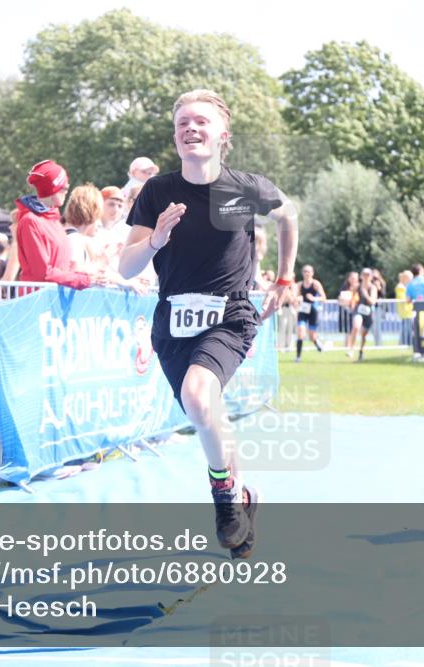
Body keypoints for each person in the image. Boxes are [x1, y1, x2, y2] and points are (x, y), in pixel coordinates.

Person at [118, 89, 298, 559]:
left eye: (200, 122)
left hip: (230, 314)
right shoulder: (157, 192)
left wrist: (284, 276)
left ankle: (222, 497)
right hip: (172, 322)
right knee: (207, 413)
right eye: (182, 124)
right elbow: (125, 267)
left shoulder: (245, 187)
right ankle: (242, 501)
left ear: (223, 135)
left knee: (200, 398)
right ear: (175, 137)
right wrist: (155, 240)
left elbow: (289, 216)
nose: (190, 129)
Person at [15, 160, 104, 289]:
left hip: (53, 298)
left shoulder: (54, 219)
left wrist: (89, 274)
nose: (67, 191)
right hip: (37, 300)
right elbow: (43, 273)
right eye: (64, 188)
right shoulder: (30, 221)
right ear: (52, 189)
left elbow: (62, 268)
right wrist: (85, 280)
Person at [64, 184, 146, 294]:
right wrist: (101, 264)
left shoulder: (81, 239)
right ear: (91, 212)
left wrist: (128, 279)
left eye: (120, 206)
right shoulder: (75, 239)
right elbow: (76, 273)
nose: (116, 210)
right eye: (111, 204)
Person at [294, 264, 327, 361]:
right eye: (305, 271)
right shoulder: (299, 285)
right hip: (303, 311)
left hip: (313, 311)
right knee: (301, 333)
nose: (307, 273)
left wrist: (314, 298)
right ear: (302, 273)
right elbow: (295, 297)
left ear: (312, 273)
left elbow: (324, 298)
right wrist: (298, 299)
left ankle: (317, 343)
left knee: (312, 336)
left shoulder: (315, 284)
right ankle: (298, 357)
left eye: (309, 271)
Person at [347, 268, 379, 362]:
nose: (366, 277)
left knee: (364, 335)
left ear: (371, 277)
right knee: (356, 326)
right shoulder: (357, 287)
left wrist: (365, 294)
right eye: (364, 274)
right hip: (359, 311)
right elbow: (352, 297)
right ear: (361, 276)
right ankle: (351, 349)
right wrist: (352, 304)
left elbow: (373, 301)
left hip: (369, 313)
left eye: (368, 275)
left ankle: (361, 351)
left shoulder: (373, 288)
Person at [338, 271, 360, 354]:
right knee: (348, 331)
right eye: (352, 278)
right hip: (347, 311)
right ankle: (347, 347)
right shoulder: (344, 287)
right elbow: (340, 298)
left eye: (355, 278)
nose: (353, 280)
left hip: (357, 311)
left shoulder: (360, 287)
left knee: (355, 329)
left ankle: (353, 346)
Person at [394, 270, 414, 347]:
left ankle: (405, 343)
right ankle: (403, 343)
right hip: (405, 311)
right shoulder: (400, 287)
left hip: (408, 310)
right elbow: (403, 299)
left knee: (407, 329)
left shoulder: (405, 286)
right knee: (405, 329)